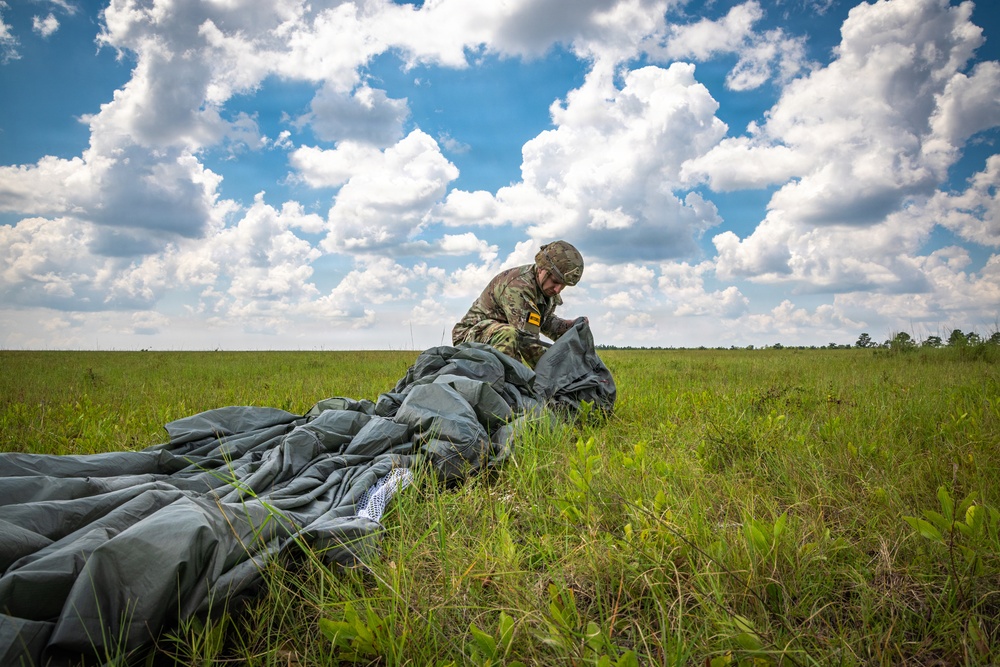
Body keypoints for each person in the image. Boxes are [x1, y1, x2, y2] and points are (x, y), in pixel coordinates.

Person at [452, 240, 587, 368]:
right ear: (542, 269)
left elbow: (542, 322)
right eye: (555, 281)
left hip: (498, 337)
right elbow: (527, 341)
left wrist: (568, 326)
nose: (558, 289)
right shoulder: (519, 286)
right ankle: (506, 388)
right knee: (508, 334)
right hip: (469, 337)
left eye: (564, 285)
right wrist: (553, 375)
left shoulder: (545, 289)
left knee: (509, 336)